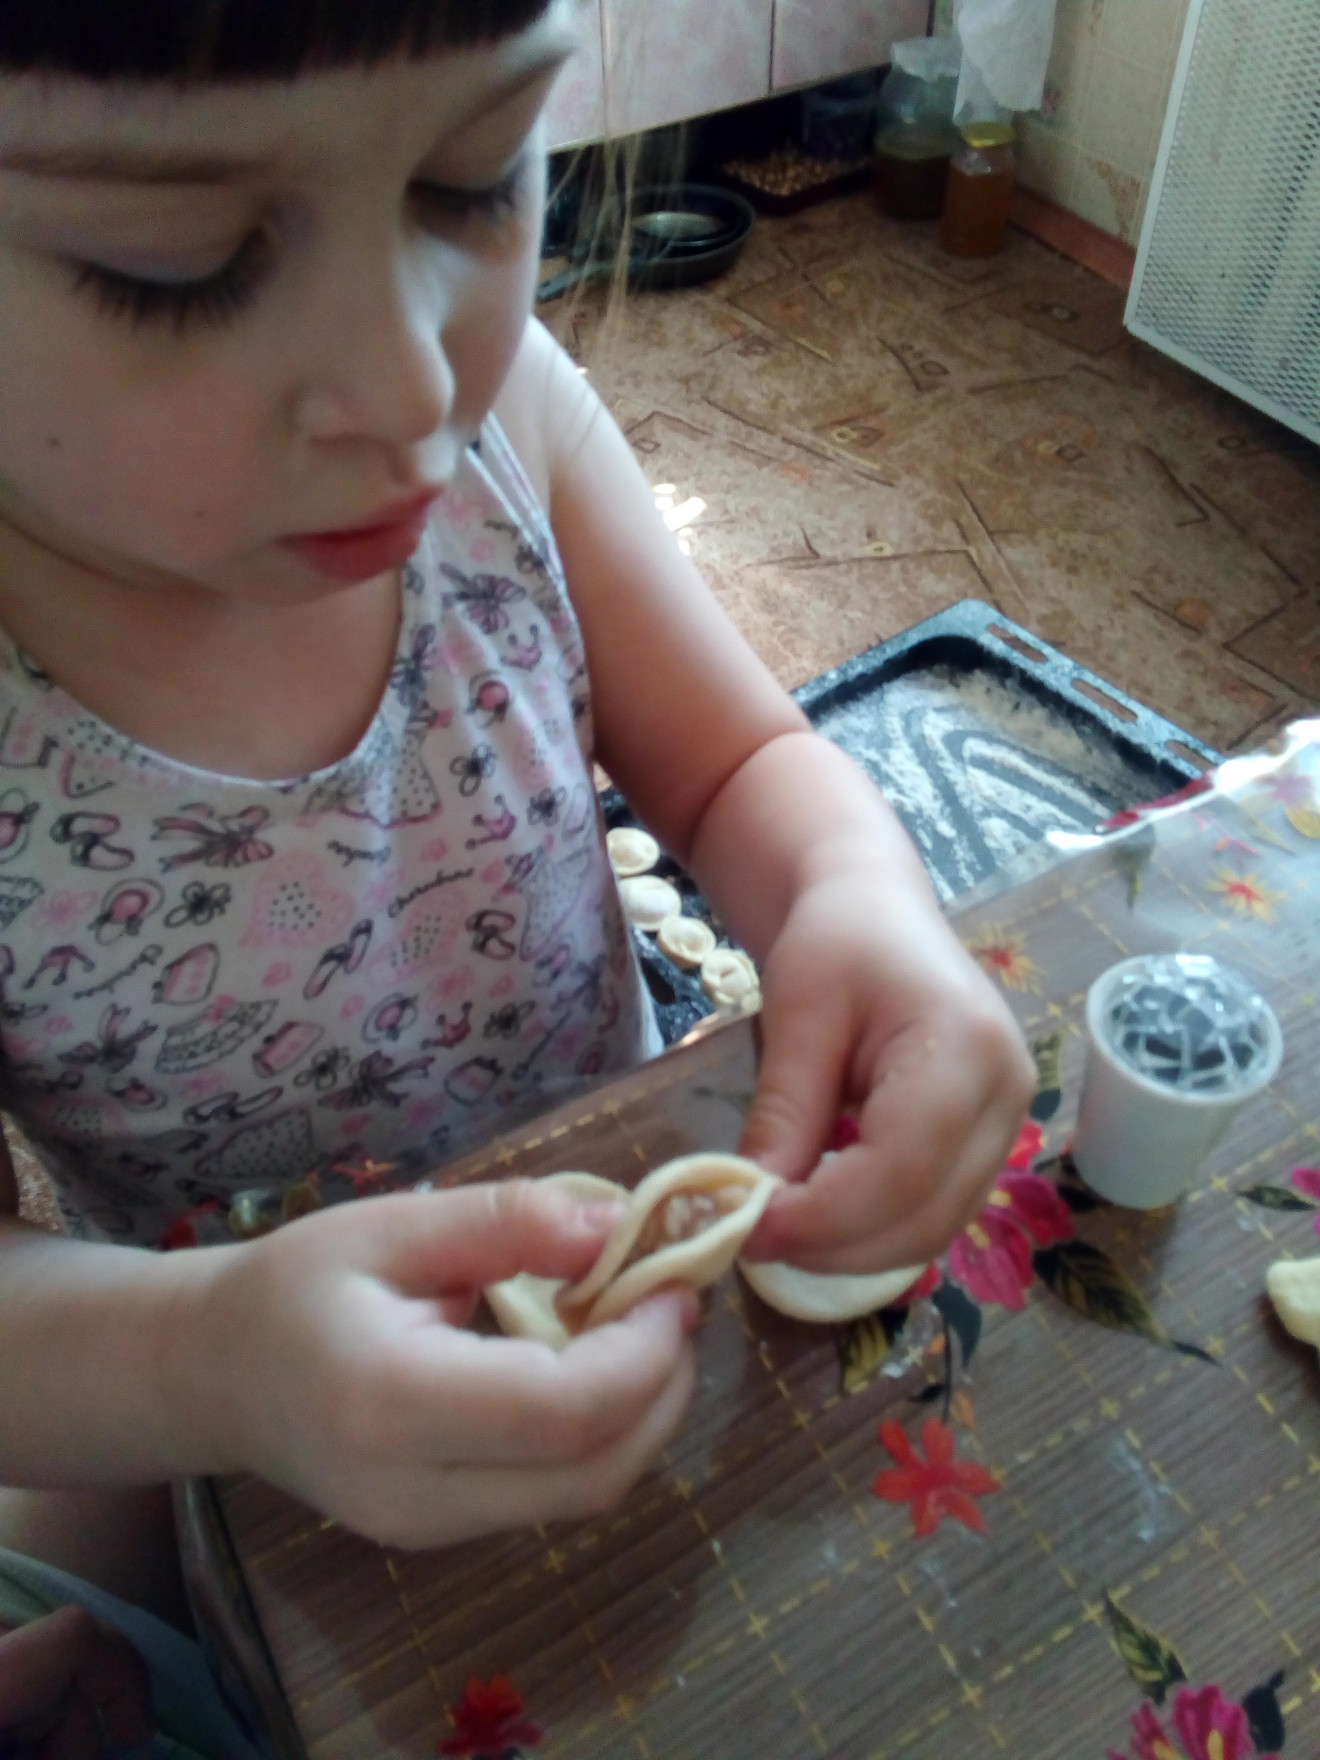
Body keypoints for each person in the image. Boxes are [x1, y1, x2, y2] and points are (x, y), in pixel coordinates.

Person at [0, 0, 1034, 1735]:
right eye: (177, 265)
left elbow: (745, 764)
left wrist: (861, 905)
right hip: (240, 1418)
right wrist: (216, 1360)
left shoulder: (510, 432)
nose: (413, 387)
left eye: (473, 175)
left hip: (637, 1277)